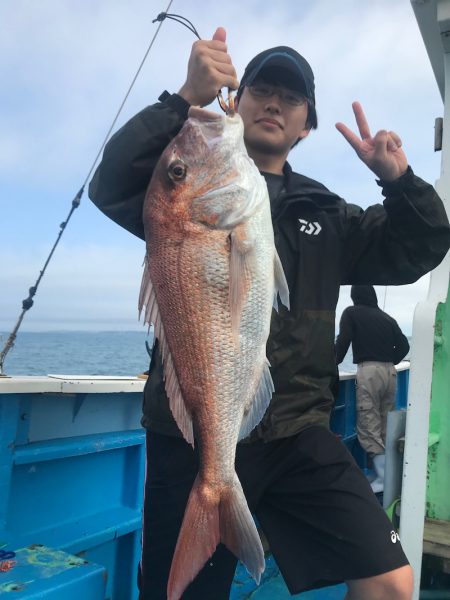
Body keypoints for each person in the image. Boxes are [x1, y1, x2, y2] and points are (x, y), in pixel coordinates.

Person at [88, 27, 450, 600]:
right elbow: (110, 183)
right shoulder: (180, 196)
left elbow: (419, 248)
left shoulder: (328, 215)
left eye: (293, 97)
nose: (275, 102)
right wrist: (183, 98)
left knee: (390, 582)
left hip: (297, 434)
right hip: (193, 436)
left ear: (306, 125)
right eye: (261, 88)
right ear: (236, 100)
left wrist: (399, 182)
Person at [335, 285, 410, 494]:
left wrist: (333, 363)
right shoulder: (387, 318)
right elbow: (404, 346)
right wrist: (390, 361)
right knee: (385, 422)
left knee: (369, 422)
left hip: (369, 371)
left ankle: (382, 478)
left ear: (354, 296)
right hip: (390, 372)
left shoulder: (351, 313)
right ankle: (383, 475)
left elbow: (343, 342)